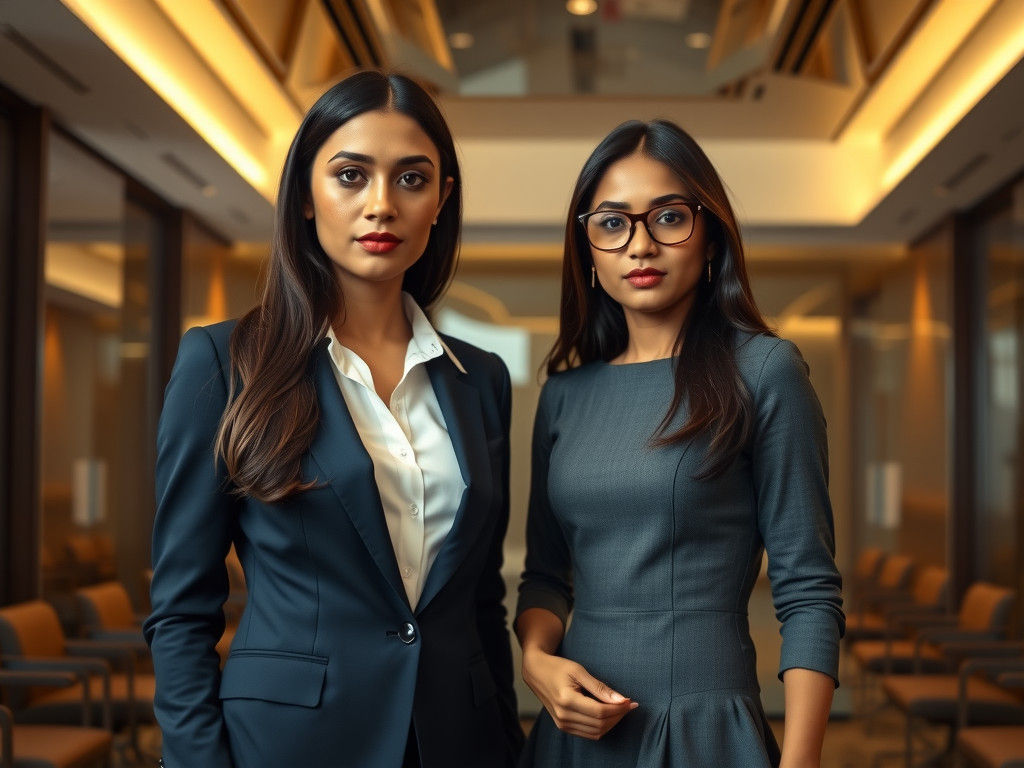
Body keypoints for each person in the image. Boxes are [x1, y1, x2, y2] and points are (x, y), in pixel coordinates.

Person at [143, 70, 523, 768]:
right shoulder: (225, 362)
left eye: (412, 179)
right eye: (351, 175)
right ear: (306, 198)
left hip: (459, 743)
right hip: (292, 745)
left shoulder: (481, 380)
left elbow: (479, 603)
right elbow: (180, 611)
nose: (381, 205)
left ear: (441, 201)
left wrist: (507, 742)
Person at [515, 119, 845, 768]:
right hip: (575, 739)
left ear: (711, 238)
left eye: (668, 217)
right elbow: (545, 577)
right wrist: (537, 664)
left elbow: (808, 589)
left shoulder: (765, 372)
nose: (640, 245)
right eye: (612, 223)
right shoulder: (563, 395)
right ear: (587, 248)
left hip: (703, 733)